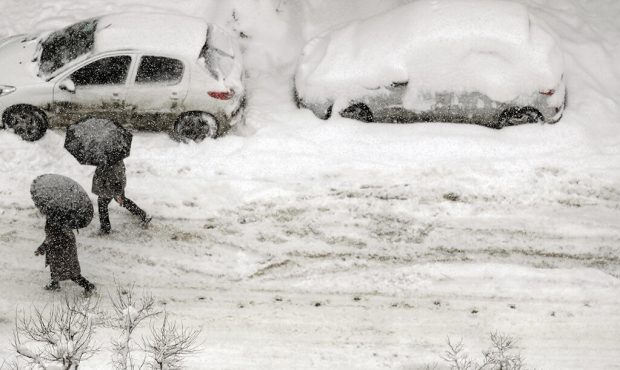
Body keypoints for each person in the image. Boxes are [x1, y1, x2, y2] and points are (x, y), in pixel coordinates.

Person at [35, 217, 95, 294]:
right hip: (64, 248)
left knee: (71, 273)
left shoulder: (54, 219)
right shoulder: (62, 217)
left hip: (61, 249)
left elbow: (51, 237)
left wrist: (41, 248)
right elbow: (52, 237)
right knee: (56, 267)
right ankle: (54, 283)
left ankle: (88, 286)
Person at [93, 159, 151, 234]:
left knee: (102, 202)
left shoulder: (111, 158)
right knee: (120, 200)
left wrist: (117, 192)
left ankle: (105, 229)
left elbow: (116, 173)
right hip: (114, 182)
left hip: (114, 183)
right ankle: (143, 215)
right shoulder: (112, 155)